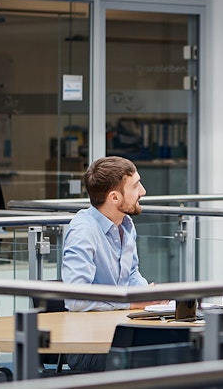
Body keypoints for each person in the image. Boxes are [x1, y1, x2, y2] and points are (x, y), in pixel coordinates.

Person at [61, 156, 164, 371]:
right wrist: (130, 303)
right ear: (114, 197)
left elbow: (132, 273)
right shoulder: (83, 232)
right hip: (90, 347)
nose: (143, 191)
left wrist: (146, 295)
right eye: (136, 186)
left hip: (121, 331)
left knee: (184, 349)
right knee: (166, 358)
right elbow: (75, 299)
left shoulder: (126, 224)